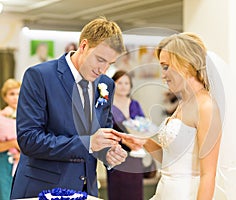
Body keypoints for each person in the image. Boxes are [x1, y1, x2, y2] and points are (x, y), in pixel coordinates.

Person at [11, 17, 136, 198]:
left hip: (87, 190)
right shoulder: (39, 76)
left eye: (110, 63)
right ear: (83, 46)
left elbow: (101, 136)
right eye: (100, 59)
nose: (103, 69)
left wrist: (108, 153)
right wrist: (88, 143)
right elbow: (29, 140)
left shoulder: (107, 84)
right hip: (43, 189)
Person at [138, 33, 236, 199]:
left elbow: (208, 174)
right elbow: (172, 161)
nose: (163, 74)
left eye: (166, 66)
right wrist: (142, 141)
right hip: (166, 191)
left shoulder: (206, 107)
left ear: (185, 64)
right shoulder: (184, 102)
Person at [106, 70, 145, 200]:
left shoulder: (135, 104)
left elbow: (144, 127)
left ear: (130, 86)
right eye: (120, 83)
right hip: (116, 156)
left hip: (135, 157)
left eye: (126, 83)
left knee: (135, 192)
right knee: (118, 192)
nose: (123, 86)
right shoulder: (107, 106)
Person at [0, 78, 21, 200]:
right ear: (5, 97)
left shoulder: (31, 116)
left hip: (24, 163)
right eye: (12, 94)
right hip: (5, 162)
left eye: (18, 93)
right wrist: (13, 143)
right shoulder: (1, 118)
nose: (15, 97)